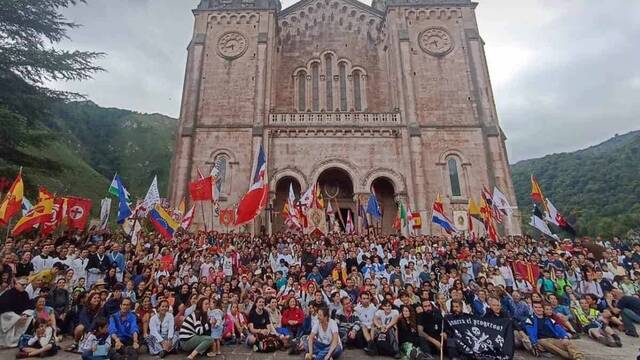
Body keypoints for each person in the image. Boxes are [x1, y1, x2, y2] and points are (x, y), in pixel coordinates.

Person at [0, 278, 33, 348]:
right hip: (9, 317)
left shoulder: (25, 294)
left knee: (32, 314)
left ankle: (25, 338)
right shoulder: (8, 293)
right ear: (16, 284)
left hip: (21, 315)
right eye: (22, 284)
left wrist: (25, 314)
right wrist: (17, 317)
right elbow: (4, 308)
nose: (24, 286)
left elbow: (28, 306)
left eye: (26, 285)